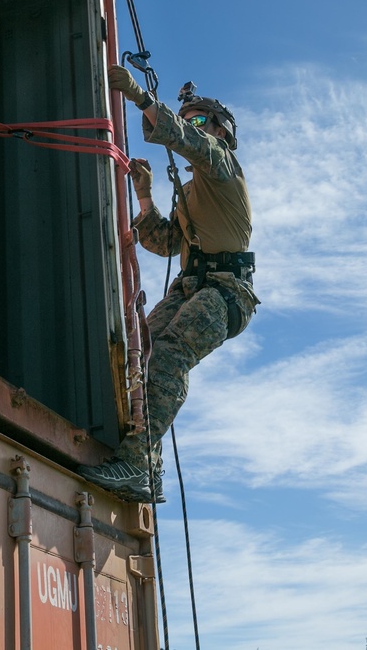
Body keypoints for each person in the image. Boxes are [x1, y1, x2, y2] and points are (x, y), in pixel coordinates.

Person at [78, 64, 259, 503]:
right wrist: (145, 196)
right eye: (190, 119)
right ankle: (149, 466)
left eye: (200, 119)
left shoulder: (222, 166)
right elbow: (166, 242)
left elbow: (192, 141)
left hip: (225, 292)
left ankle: (137, 464)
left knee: (171, 354)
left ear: (221, 130)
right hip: (191, 286)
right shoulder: (191, 193)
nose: (193, 126)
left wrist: (141, 97)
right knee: (139, 356)